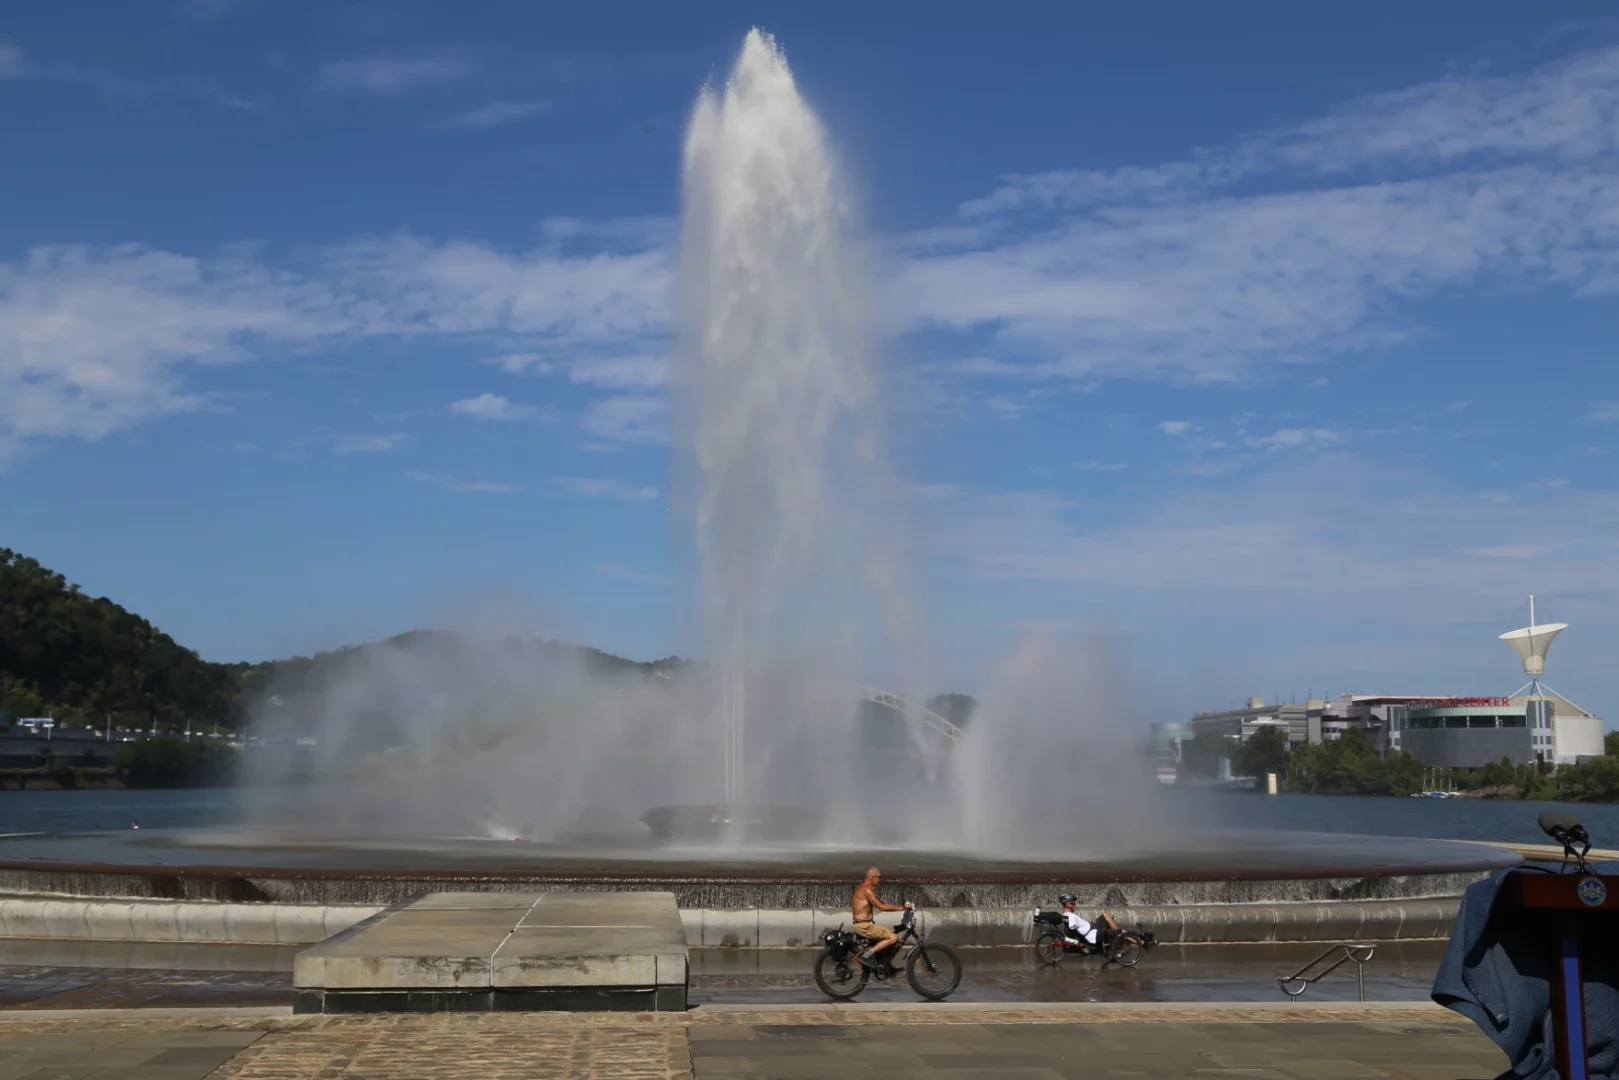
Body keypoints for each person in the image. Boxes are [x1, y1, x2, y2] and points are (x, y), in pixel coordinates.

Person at [851, 866, 911, 969]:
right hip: (864, 926)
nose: (880, 880)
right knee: (893, 937)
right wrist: (901, 908)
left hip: (863, 924)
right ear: (872, 877)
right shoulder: (866, 890)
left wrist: (899, 907)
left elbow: (882, 903)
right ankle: (865, 956)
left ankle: (884, 963)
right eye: (879, 877)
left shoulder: (863, 888)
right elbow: (881, 907)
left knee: (890, 933)